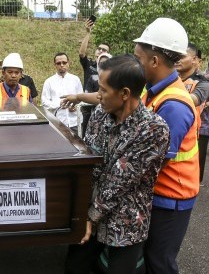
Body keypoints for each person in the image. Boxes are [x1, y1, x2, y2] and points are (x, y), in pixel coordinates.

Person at [64, 55, 170, 274]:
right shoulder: (100, 115)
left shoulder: (153, 130)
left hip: (125, 222)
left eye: (103, 90)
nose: (98, 95)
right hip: (89, 214)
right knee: (74, 267)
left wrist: (91, 217)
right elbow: (89, 162)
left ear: (124, 94)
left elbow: (118, 183)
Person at [134, 17, 199, 274]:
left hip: (171, 198)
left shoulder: (173, 104)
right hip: (159, 194)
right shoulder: (153, 91)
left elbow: (155, 161)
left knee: (160, 262)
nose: (136, 63)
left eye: (138, 59)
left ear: (154, 61)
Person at [175, 43, 209, 182]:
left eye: (182, 56)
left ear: (196, 60)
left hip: (190, 139)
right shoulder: (169, 78)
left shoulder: (202, 83)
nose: (177, 59)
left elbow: (192, 100)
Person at [79, 19, 111, 137]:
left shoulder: (112, 71)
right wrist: (88, 33)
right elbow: (82, 54)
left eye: (104, 50)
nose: (101, 51)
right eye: (99, 49)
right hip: (88, 110)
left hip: (105, 110)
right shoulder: (90, 66)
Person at [41, 52, 83, 135]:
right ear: (55, 65)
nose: (62, 65)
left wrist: (75, 106)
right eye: (58, 63)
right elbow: (44, 102)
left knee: (77, 146)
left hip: (75, 122)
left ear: (68, 63)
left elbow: (81, 98)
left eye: (64, 62)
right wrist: (59, 104)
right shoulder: (49, 82)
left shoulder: (75, 79)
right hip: (57, 123)